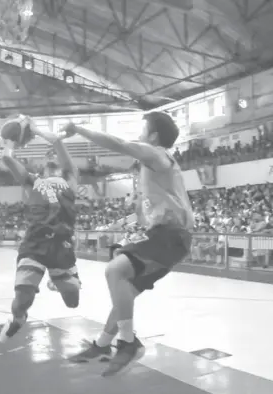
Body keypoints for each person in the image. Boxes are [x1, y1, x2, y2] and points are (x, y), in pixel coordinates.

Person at [62, 111, 194, 376]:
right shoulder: (153, 169)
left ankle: (128, 342)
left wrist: (79, 128)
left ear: (154, 135)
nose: (139, 133)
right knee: (125, 294)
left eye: (143, 128)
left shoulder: (156, 154)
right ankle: (102, 345)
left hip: (171, 234)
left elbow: (119, 145)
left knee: (114, 271)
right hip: (166, 234)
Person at [0, 117, 81, 343]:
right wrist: (9, 139)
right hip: (35, 243)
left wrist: (34, 129)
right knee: (23, 298)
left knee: (72, 301)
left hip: (61, 245)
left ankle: (55, 279)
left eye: (55, 154)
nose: (53, 156)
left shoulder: (70, 179)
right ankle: (18, 318)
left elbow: (55, 141)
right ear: (43, 164)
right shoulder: (33, 181)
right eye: (49, 155)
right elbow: (7, 157)